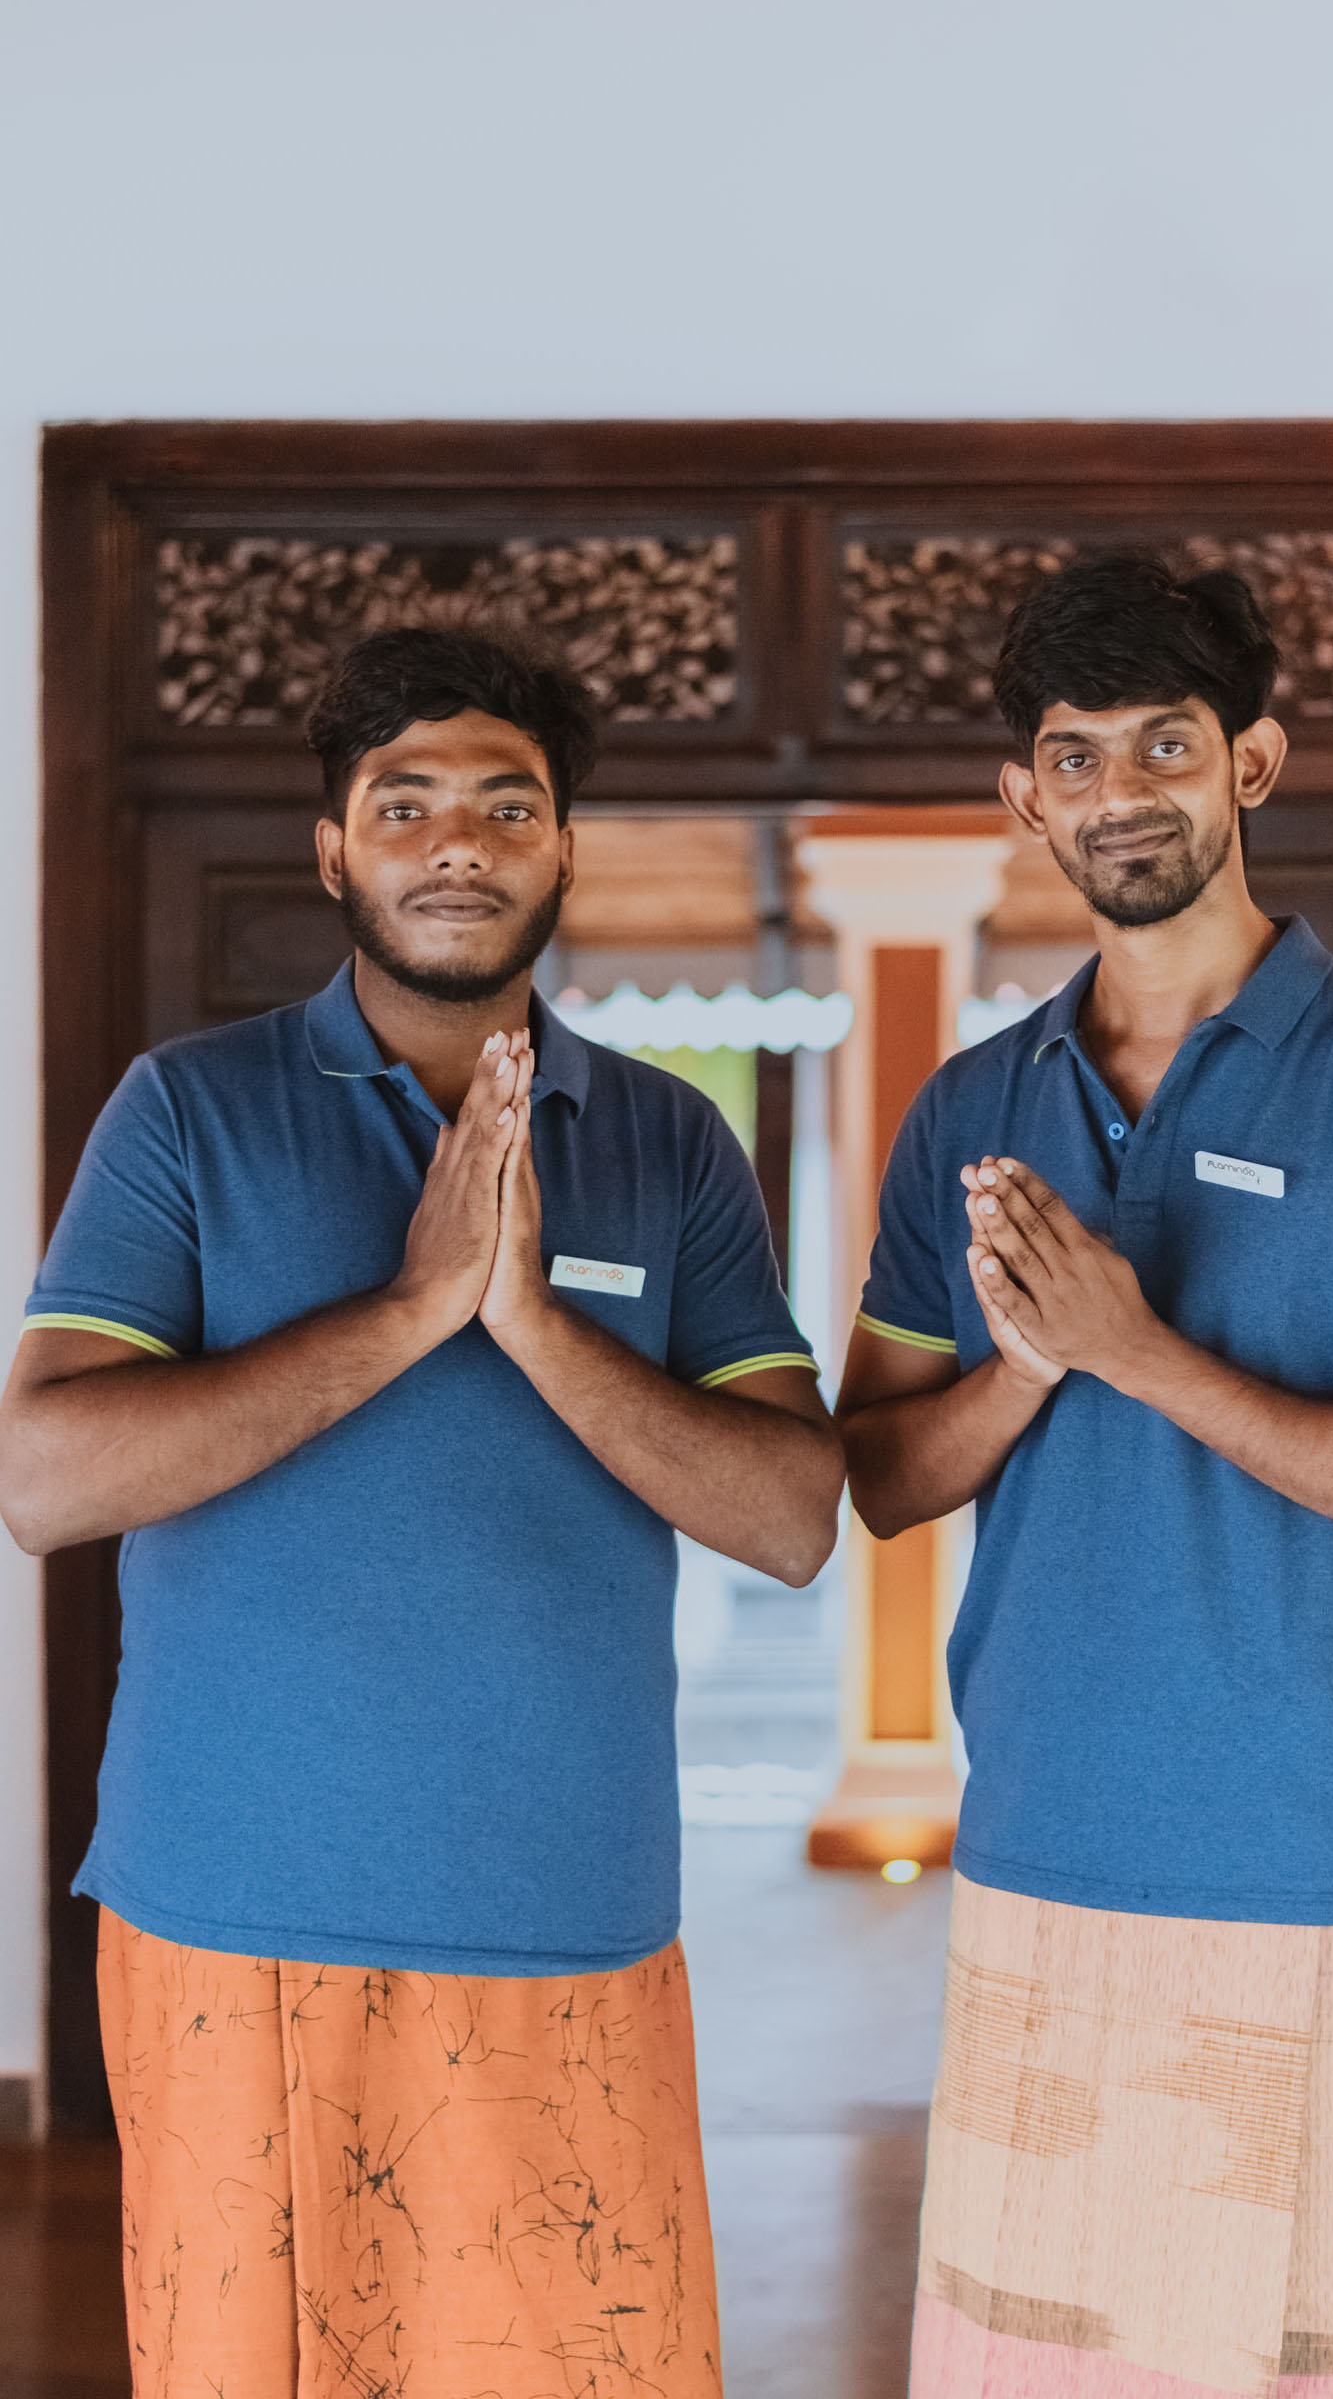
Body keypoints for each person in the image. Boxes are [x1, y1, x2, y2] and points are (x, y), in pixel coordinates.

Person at [0, 626, 842, 2399]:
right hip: (234, 1907)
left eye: (504, 806)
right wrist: (405, 1308)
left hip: (564, 1911)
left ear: (558, 849)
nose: (457, 843)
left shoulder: (669, 1146)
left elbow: (789, 1519)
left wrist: (531, 1322)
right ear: (335, 850)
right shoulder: (188, 1114)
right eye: (407, 804)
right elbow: (48, 1480)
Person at [837, 556, 1333, 2399]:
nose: (1119, 791)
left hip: (1322, 1868)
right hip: (1045, 1857)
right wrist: (1031, 1366)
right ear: (1023, 796)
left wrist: (1145, 1352)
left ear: (1253, 763)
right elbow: (881, 1481)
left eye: (1168, 744)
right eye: (1075, 756)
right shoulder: (971, 1109)